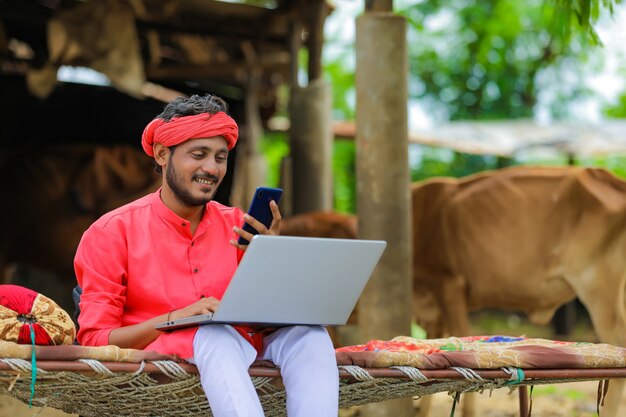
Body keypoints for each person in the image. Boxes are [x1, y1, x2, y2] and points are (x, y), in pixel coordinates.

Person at [74, 94, 339, 417]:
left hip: (247, 349)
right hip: (164, 364)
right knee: (215, 335)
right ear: (161, 154)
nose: (211, 169)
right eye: (198, 155)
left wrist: (270, 261)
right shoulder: (111, 232)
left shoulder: (240, 225)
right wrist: (178, 318)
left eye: (220, 157)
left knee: (310, 336)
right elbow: (96, 339)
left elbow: (264, 322)